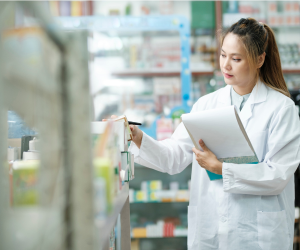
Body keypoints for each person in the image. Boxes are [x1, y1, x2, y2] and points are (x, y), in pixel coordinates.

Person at [111, 18, 300, 249]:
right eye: (223, 55)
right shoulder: (206, 105)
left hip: (257, 236)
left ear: (260, 59)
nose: (226, 66)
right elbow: (173, 157)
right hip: (212, 232)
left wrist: (221, 169)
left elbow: (278, 175)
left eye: (236, 59)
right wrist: (137, 137)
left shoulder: (281, 108)